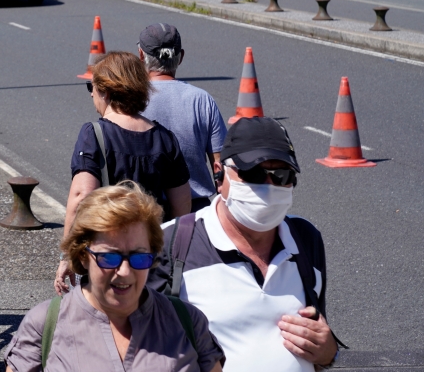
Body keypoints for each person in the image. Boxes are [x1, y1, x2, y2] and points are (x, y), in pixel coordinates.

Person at [149, 117, 340, 372]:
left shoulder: (306, 238)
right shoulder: (171, 243)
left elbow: (318, 337)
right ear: (219, 173)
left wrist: (329, 354)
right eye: (254, 173)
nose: (269, 187)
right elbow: (141, 346)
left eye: (282, 175)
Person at [5, 182, 224, 372]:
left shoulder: (188, 322)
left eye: (139, 257)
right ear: (82, 256)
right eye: (109, 257)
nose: (126, 272)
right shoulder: (44, 324)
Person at [55, 51, 191, 295]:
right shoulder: (165, 138)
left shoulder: (94, 135)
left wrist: (68, 256)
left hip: (106, 258)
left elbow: (81, 196)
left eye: (91, 86)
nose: (91, 94)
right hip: (148, 257)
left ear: (106, 91)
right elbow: (182, 207)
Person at [139, 23, 227, 213]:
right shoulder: (202, 99)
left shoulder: (131, 99)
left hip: (143, 214)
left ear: (140, 55)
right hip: (195, 212)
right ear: (181, 58)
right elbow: (220, 164)